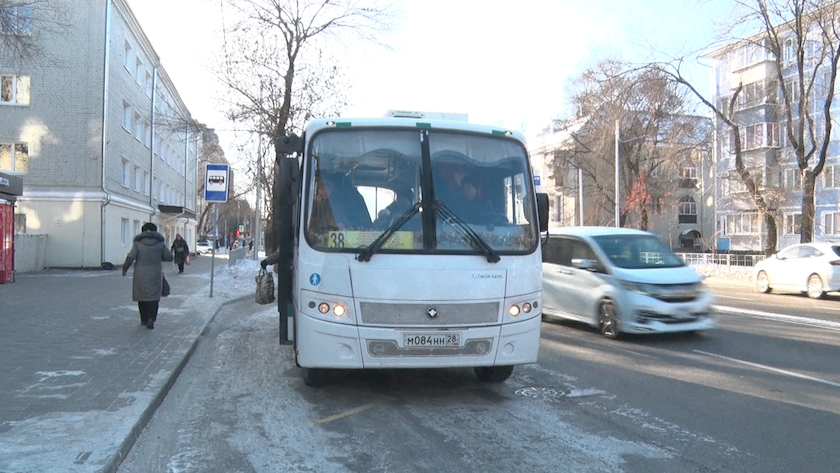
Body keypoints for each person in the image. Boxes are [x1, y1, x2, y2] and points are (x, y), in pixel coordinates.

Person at [122, 222, 173, 330]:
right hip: (155, 274)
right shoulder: (160, 243)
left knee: (142, 296)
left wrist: (125, 268)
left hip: (140, 274)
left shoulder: (138, 243)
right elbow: (169, 257)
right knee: (154, 298)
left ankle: (144, 319)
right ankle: (151, 318)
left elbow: (131, 257)